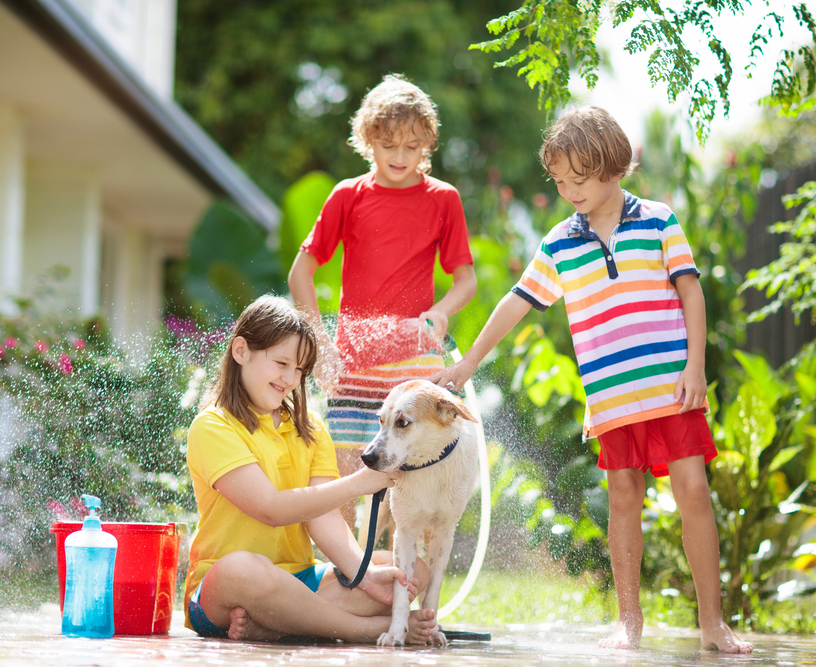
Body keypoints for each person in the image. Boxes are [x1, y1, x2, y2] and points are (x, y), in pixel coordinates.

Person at [432, 106, 752, 653]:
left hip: (671, 387)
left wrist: (695, 367)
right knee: (623, 495)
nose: (569, 191)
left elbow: (690, 291)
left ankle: (712, 624)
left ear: (613, 168)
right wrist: (466, 366)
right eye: (559, 182)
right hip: (611, 396)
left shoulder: (658, 219)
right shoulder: (559, 241)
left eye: (579, 180)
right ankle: (628, 623)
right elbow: (517, 303)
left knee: (693, 492)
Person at [182, 295, 435, 643]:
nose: (290, 378)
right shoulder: (213, 426)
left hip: (302, 581)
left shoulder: (311, 427)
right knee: (243, 569)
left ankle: (273, 626)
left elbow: (324, 518)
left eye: (300, 369)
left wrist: (363, 574)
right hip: (225, 590)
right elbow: (270, 509)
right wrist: (357, 484)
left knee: (407, 570)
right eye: (281, 363)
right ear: (241, 351)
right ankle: (361, 630)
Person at [288, 74, 476, 528]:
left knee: (406, 492)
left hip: (411, 365)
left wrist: (440, 311)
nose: (400, 156)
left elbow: (466, 281)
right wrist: (323, 348)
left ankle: (400, 589)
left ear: (427, 145)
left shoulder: (442, 199)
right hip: (351, 359)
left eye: (412, 146)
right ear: (368, 139)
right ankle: (348, 582)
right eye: (388, 144)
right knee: (346, 480)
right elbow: (301, 276)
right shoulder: (348, 197)